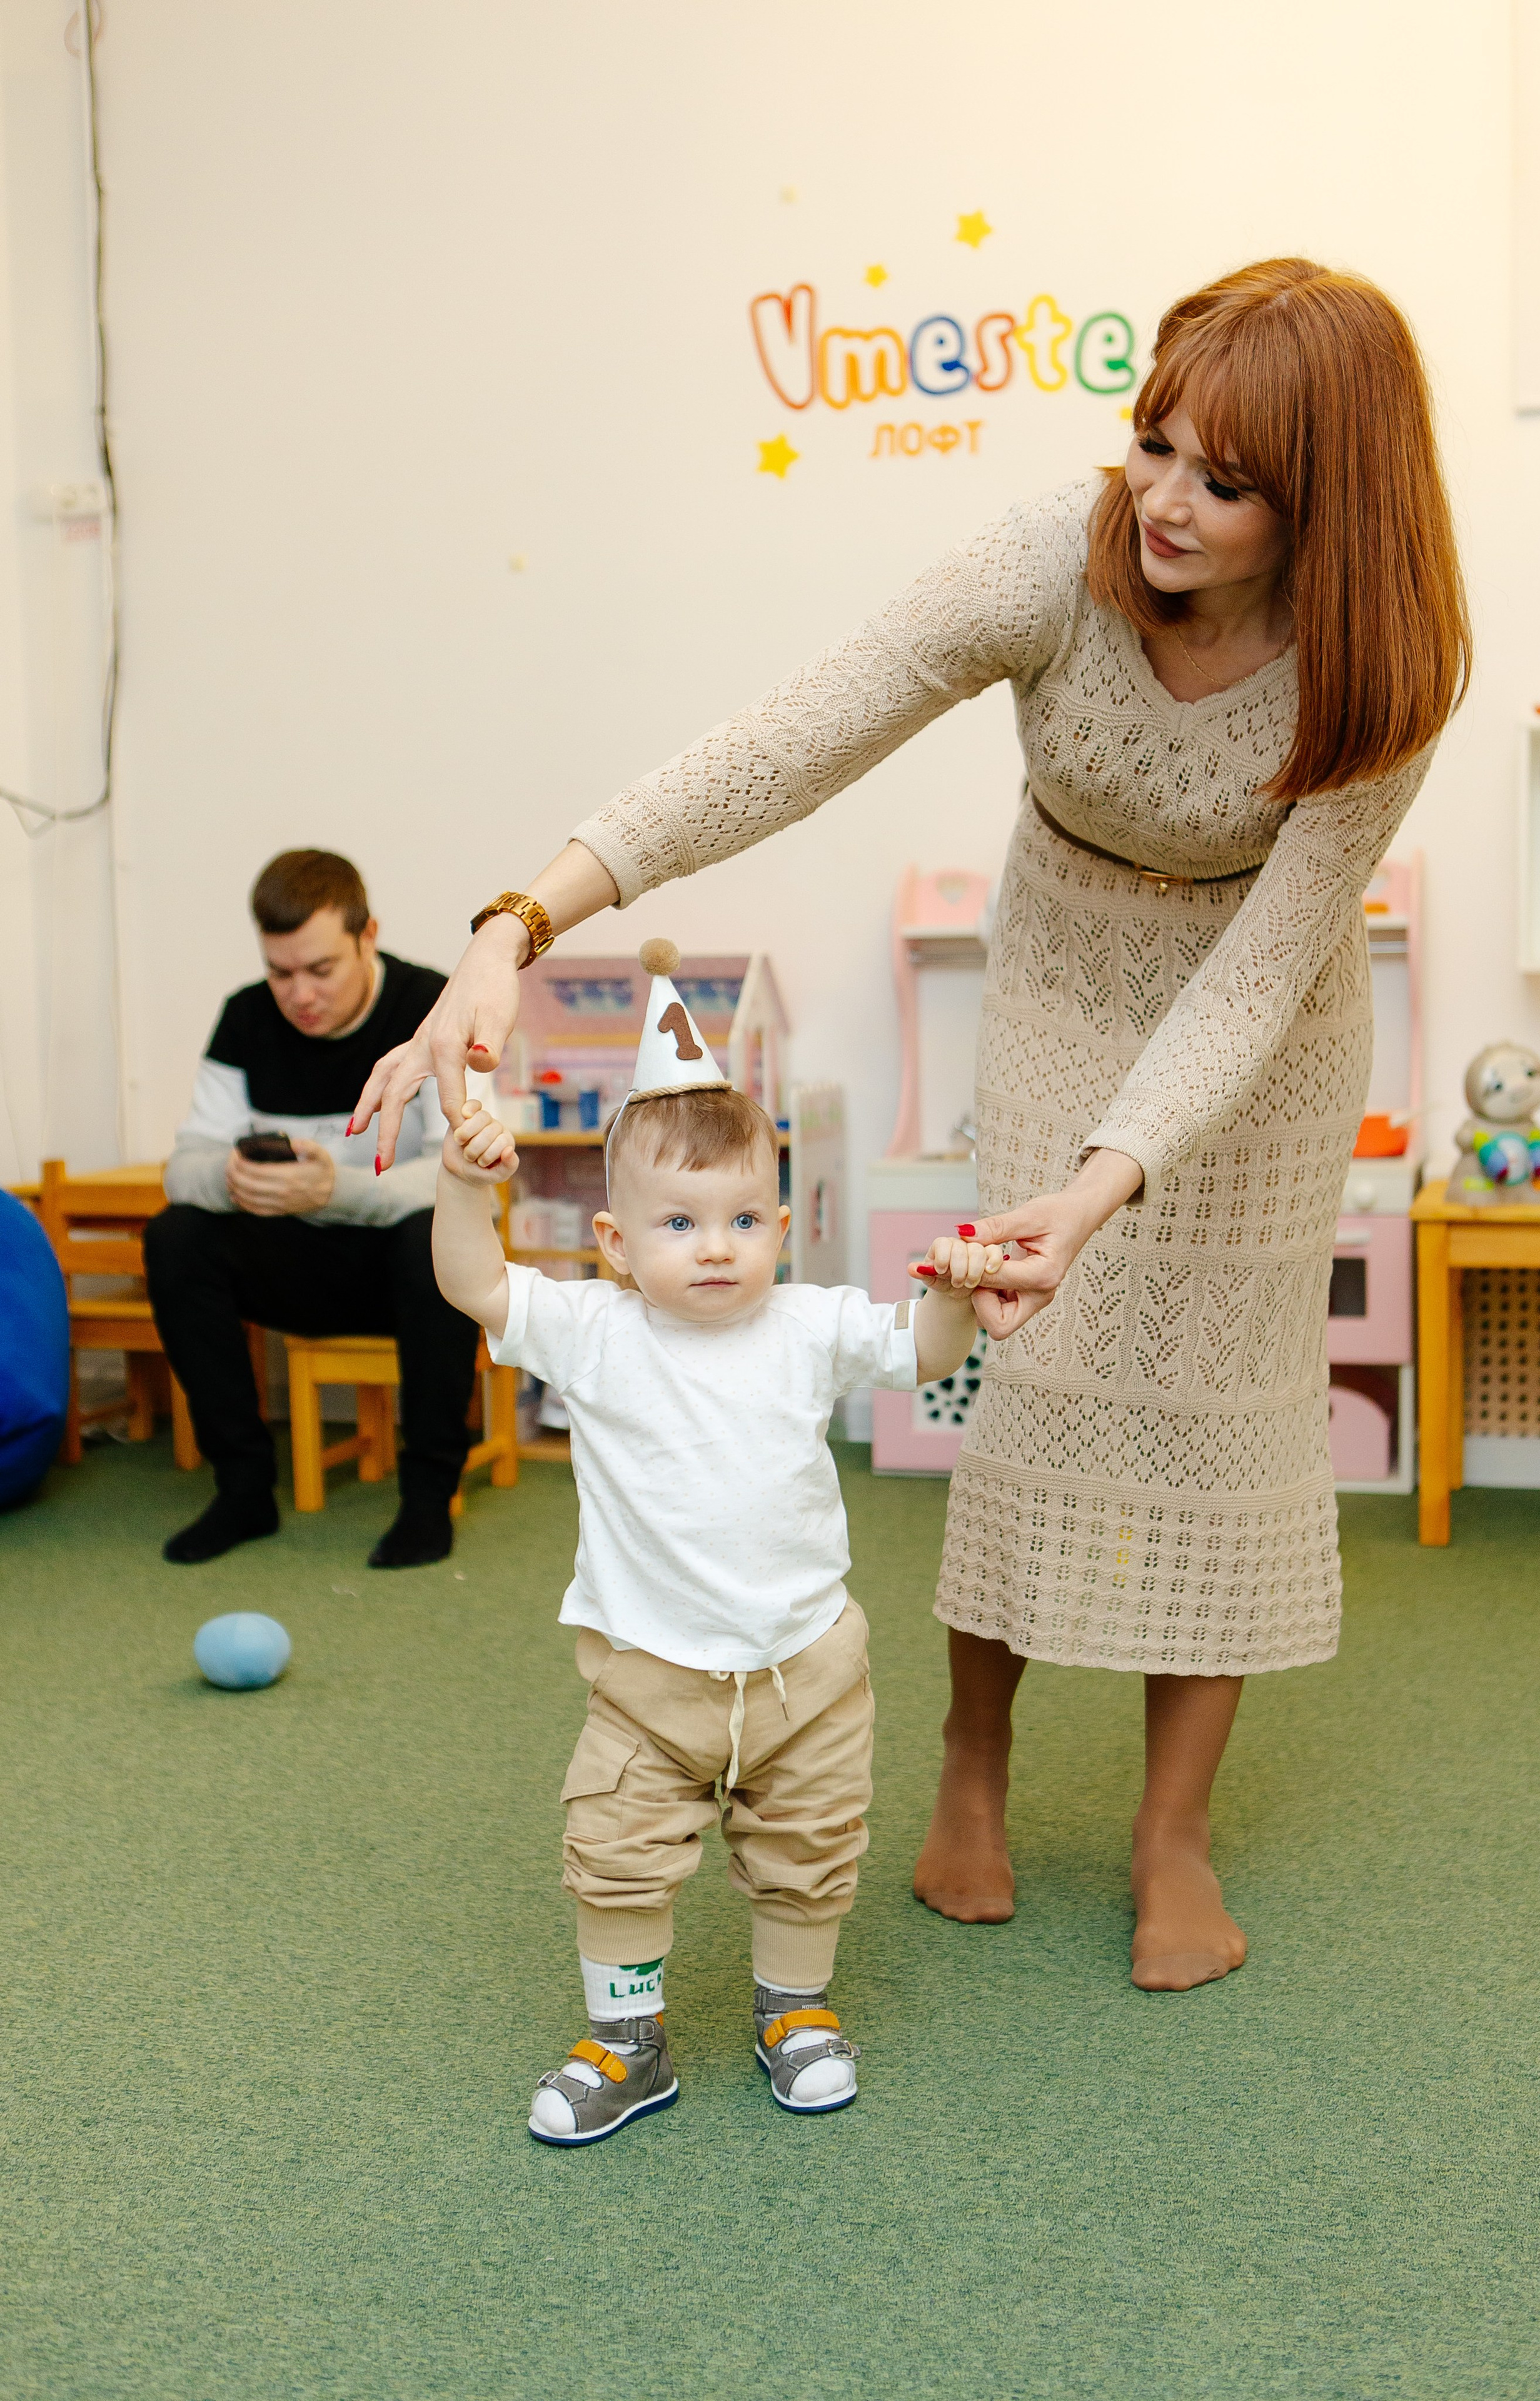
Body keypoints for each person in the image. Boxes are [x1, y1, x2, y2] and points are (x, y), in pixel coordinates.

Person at [355, 259, 1472, 1990]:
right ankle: (975, 1762)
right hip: (1060, 978)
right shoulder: (1060, 556)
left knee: (1224, 1410)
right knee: (1031, 1365)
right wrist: (526, 917)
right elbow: (795, 736)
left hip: (1261, 1037)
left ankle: (1174, 1835)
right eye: (1153, 444)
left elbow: (1256, 983)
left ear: (1331, 505)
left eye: (1227, 481)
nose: (1164, 501)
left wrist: (1110, 1181)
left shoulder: (1382, 670)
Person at [432, 945, 1012, 2143]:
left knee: (810, 1847)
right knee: (617, 1851)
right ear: (612, 1241)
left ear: (783, 1228)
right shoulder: (595, 1331)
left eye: (744, 1219)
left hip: (806, 1666)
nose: (715, 1246)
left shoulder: (806, 1324)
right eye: (681, 1223)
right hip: (650, 1674)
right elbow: (475, 1287)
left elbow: (927, 1354)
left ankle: (794, 2014)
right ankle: (628, 2044)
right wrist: (460, 1185)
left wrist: (954, 1284)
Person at [144, 849, 482, 1569]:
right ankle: (243, 1490)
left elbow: (464, 1169)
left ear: (368, 936)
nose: (298, 994)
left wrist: (339, 1191)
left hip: (400, 1269)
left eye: (320, 970)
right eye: (280, 972)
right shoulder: (243, 1019)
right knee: (176, 1237)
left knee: (433, 1237)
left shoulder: (431, 1007)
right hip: (294, 1260)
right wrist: (234, 1177)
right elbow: (183, 1169)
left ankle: (427, 1499)